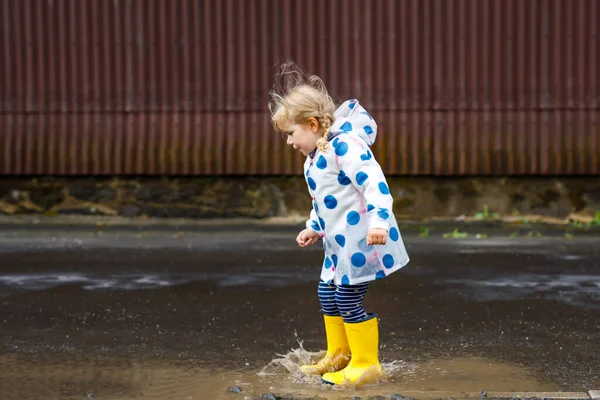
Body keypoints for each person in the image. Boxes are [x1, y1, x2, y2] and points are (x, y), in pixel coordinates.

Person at [268, 61, 410, 387]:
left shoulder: (345, 146)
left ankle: (366, 363)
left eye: (291, 134)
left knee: (347, 297)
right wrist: (313, 226)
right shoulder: (314, 158)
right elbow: (326, 199)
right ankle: (339, 354)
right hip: (338, 245)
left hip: (363, 240)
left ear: (313, 124)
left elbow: (374, 184)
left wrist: (379, 223)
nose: (289, 142)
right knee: (326, 294)